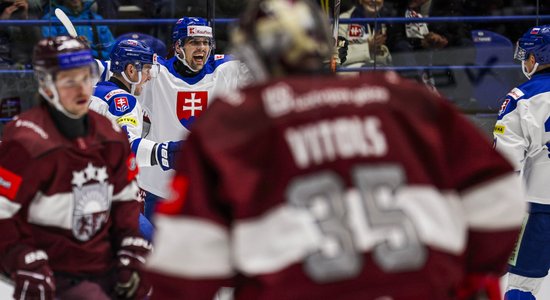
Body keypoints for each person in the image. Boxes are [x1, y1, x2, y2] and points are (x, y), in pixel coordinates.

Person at [145, 0, 526, 299]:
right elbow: (498, 193)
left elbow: (186, 265)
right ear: (328, 51)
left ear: (253, 59)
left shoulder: (233, 123)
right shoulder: (400, 99)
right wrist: (470, 273)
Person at [0, 36, 150, 300]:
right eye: (69, 80)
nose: (82, 89)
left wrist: (130, 243)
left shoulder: (110, 134)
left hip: (94, 261)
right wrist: (21, 256)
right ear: (46, 84)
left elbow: (125, 198)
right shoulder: (24, 140)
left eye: (85, 77)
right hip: (45, 266)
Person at [136, 16, 250, 221]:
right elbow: (118, 75)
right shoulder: (156, 73)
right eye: (194, 42)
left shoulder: (225, 70)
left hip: (208, 185)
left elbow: (271, 69)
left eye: (206, 43)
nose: (202, 48)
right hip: (160, 185)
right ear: (178, 46)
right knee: (159, 250)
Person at [89, 38, 182, 241]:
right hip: (108, 197)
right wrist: (169, 153)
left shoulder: (94, 92)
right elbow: (126, 147)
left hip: (81, 191)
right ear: (131, 70)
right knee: (150, 248)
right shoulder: (125, 101)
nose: (149, 77)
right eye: (147, 70)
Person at [493, 25, 550, 300]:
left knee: (522, 284)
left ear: (536, 58)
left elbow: (505, 161)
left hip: (539, 207)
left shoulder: (523, 97)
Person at [41, 0, 115, 60]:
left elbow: (111, 50)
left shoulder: (96, 19)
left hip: (95, 67)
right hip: (66, 67)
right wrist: (72, 47)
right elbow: (49, 52)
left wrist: (88, 51)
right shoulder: (50, 19)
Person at [338, 0, 393, 68]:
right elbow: (337, 56)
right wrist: (368, 48)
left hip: (379, 70)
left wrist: (381, 50)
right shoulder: (344, 20)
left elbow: (391, 59)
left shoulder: (388, 21)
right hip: (352, 73)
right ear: (360, 1)